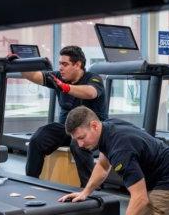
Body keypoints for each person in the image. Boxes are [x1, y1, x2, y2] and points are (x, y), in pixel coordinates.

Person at [16, 46, 108, 186]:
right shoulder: (58, 77)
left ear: (77, 65)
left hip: (92, 132)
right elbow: (35, 76)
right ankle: (31, 182)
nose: (60, 68)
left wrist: (65, 87)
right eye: (59, 64)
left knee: (77, 143)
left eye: (65, 64)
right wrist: (18, 65)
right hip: (67, 130)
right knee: (38, 137)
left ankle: (91, 191)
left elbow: (90, 93)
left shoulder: (93, 78)